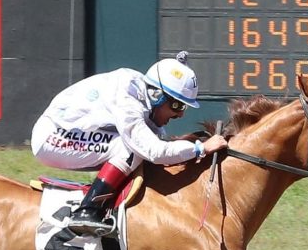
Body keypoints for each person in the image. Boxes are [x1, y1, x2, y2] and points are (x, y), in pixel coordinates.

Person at [31, 51, 228, 236]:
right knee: (130, 149)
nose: (181, 114)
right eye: (177, 105)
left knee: (138, 151)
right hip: (53, 137)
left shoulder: (143, 96)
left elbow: (160, 147)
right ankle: (86, 211)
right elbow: (154, 151)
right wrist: (201, 148)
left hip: (73, 133)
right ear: (156, 95)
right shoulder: (127, 100)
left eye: (183, 107)